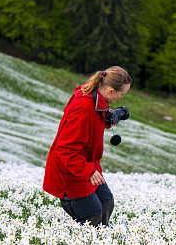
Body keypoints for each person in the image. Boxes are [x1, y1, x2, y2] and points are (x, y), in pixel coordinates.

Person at [43, 66, 131, 226]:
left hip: (87, 166)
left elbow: (91, 123)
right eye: (121, 94)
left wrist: (107, 119)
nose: (122, 97)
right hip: (71, 173)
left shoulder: (95, 96)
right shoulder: (84, 107)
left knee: (106, 202)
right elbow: (65, 148)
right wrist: (87, 171)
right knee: (93, 215)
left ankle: (101, 244)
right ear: (111, 91)